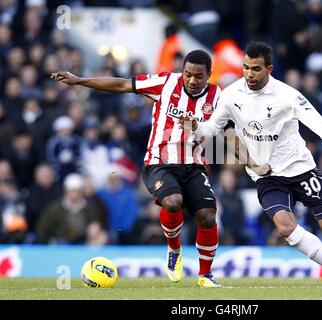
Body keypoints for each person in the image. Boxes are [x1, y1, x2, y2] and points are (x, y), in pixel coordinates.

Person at [180, 42, 322, 287]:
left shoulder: (288, 96)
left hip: (300, 169)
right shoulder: (231, 94)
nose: (249, 74)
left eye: (256, 69)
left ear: (269, 69)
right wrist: (196, 127)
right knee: (285, 227)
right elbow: (214, 127)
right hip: (266, 175)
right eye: (245, 68)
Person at [50, 50, 222, 287]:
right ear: (182, 71)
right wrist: (79, 80)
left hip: (194, 166)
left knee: (207, 217)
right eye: (188, 74)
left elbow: (230, 130)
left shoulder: (218, 96)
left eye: (199, 76)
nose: (192, 81)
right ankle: (174, 249)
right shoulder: (165, 82)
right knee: (173, 202)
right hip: (159, 162)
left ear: (209, 75)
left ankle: (205, 276)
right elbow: (122, 85)